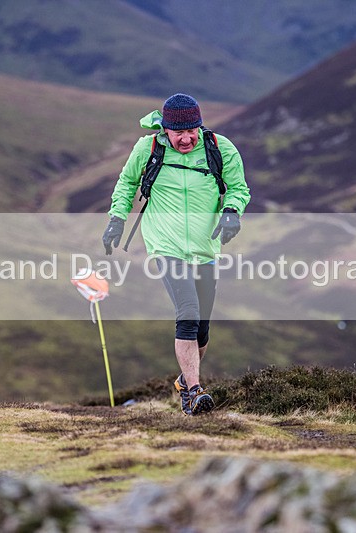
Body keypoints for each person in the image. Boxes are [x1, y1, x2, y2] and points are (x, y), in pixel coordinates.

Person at [102, 93, 250, 415]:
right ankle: (194, 393)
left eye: (191, 131)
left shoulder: (220, 149)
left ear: (200, 126)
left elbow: (239, 188)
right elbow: (127, 184)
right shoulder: (148, 149)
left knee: (202, 329)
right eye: (178, 133)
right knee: (188, 312)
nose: (186, 139)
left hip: (204, 247)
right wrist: (116, 220)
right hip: (165, 244)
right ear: (165, 129)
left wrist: (231, 212)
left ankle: (184, 381)